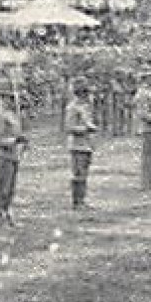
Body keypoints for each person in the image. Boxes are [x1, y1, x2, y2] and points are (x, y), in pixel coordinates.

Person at [0, 89, 26, 230]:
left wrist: (22, 141)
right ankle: (1, 214)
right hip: (4, 155)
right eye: (8, 98)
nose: (11, 101)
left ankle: (8, 212)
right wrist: (14, 140)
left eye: (12, 98)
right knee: (4, 187)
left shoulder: (12, 115)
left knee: (11, 187)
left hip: (14, 154)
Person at [63, 77, 97, 208]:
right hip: (77, 145)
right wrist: (85, 129)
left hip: (86, 144)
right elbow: (69, 127)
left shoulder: (86, 107)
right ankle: (76, 201)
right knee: (78, 173)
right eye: (85, 92)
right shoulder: (72, 107)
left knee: (84, 173)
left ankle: (82, 200)